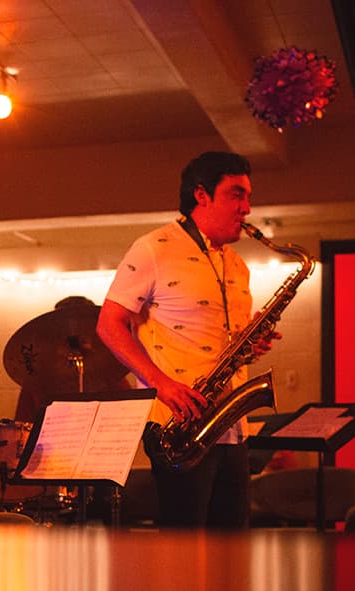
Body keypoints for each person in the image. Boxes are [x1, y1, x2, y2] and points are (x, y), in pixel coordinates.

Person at [96, 151, 275, 528]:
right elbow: (109, 324)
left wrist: (250, 346)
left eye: (248, 197)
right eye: (236, 195)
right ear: (201, 194)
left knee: (233, 552)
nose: (246, 207)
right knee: (186, 553)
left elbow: (223, 343)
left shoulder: (237, 265)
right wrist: (161, 384)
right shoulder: (153, 248)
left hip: (231, 424)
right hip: (180, 426)